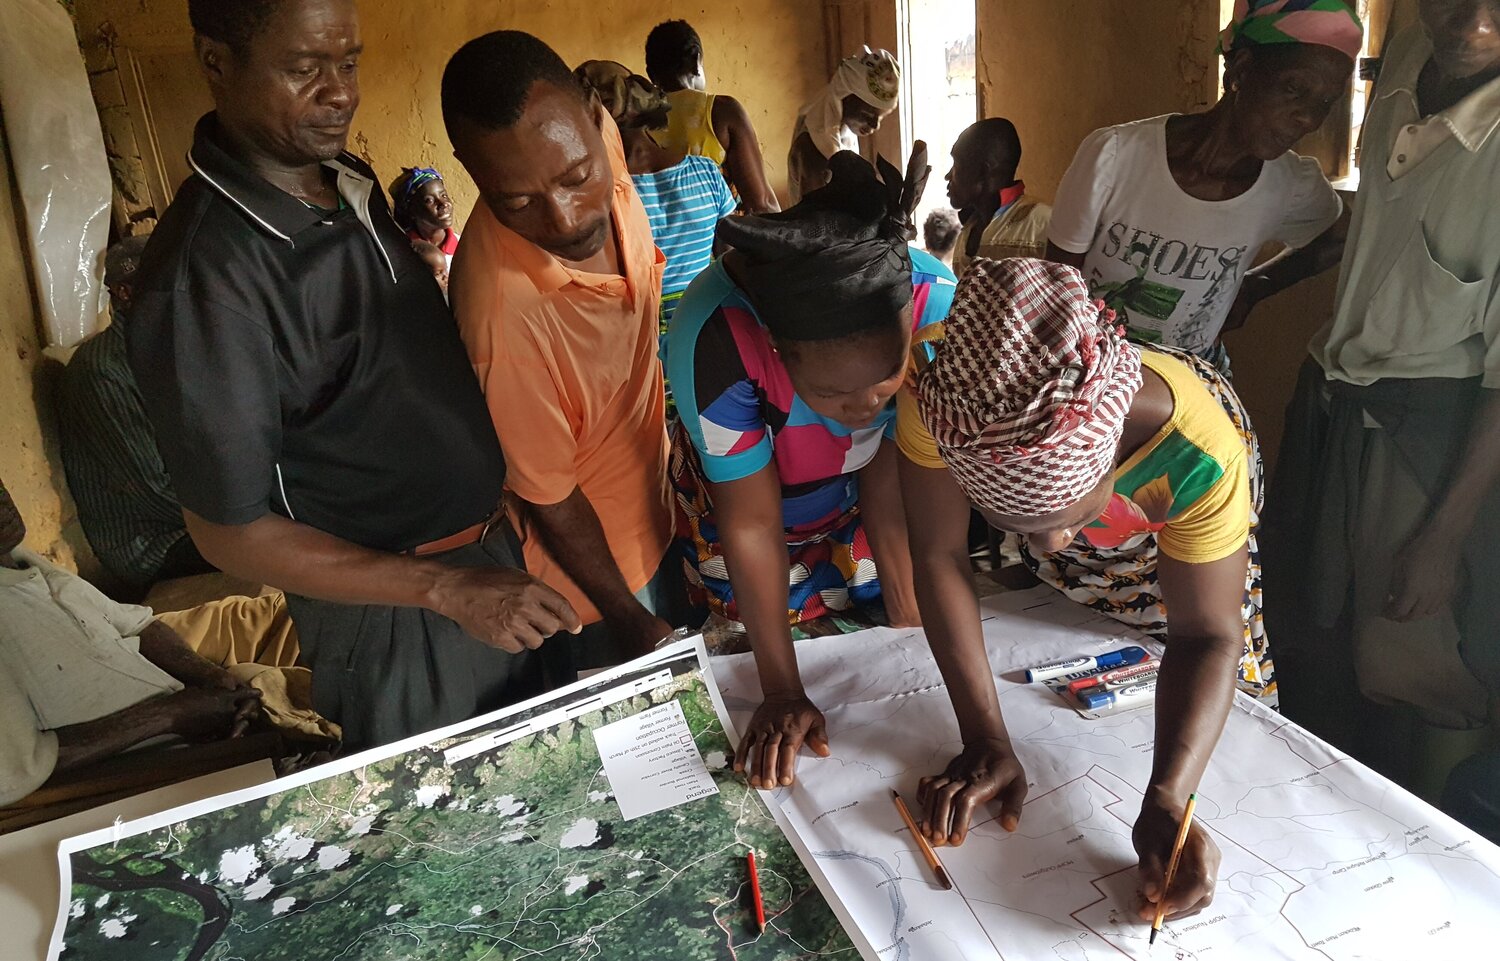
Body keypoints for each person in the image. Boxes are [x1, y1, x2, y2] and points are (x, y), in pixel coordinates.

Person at [127, 0, 578, 751]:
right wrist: (445, 589)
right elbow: (228, 532)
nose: (339, 92)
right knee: (456, 809)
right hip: (403, 615)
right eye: (305, 69)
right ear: (216, 62)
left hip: (488, 563)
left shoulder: (347, 179)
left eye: (348, 62)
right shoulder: (207, 277)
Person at [897, 257, 1266, 925]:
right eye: (1017, 527)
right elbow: (939, 553)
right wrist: (986, 735)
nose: (1051, 547)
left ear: (1113, 457)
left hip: (1172, 562)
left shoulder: (1200, 453)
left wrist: (1169, 795)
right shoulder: (946, 395)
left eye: (1073, 517)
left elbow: (1206, 632)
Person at [1263, 0, 1500, 785]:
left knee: (1411, 657)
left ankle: (1419, 831)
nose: (1470, 25)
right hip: (1334, 395)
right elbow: (1374, 219)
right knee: (1307, 623)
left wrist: (1443, 537)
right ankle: (1303, 802)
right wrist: (1259, 286)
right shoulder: (1406, 59)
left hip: (1427, 433)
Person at [666, 147, 946, 789]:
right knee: (753, 642)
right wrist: (783, 691)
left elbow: (896, 462)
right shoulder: (717, 339)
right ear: (777, 348)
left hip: (861, 501)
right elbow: (751, 524)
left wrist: (908, 616)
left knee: (892, 626)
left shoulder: (935, 308)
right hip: (747, 513)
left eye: (886, 381)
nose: (864, 408)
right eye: (833, 395)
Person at [443, 33, 678, 671]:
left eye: (578, 178)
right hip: (599, 592)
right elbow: (550, 498)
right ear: (471, 169)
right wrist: (630, 620)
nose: (567, 219)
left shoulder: (600, 136)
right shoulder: (502, 317)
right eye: (518, 203)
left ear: (594, 117)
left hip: (664, 515)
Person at [1047, 0, 1361, 371]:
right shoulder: (1116, 156)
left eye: (1325, 102)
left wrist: (1256, 287)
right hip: (1092, 367)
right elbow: (1057, 286)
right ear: (1241, 69)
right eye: (1293, 88)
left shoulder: (1290, 183)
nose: (1309, 119)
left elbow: (1341, 235)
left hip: (1193, 372)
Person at [0, 474, 296, 807]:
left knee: (292, 613)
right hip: (154, 754)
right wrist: (169, 715)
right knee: (282, 685)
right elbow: (18, 771)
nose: (3, 505)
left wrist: (210, 676)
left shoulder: (17, 556)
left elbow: (139, 624)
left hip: (166, 681)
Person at [58, 235, 215, 591]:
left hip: (196, 516)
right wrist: (245, 515)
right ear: (125, 294)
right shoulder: (102, 371)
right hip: (154, 541)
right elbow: (153, 491)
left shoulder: (165, 352)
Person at [575, 61, 737, 347]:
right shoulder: (705, 172)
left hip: (636, 340)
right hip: (705, 331)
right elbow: (729, 256)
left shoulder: (602, 192)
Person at [644, 19, 781, 215]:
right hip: (720, 233)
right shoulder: (721, 111)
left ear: (651, 74)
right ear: (696, 60)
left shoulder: (637, 121)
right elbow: (761, 203)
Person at [787, 48, 900, 203]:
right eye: (867, 115)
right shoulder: (813, 148)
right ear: (843, 99)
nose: (875, 125)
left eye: (881, 116)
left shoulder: (841, 129)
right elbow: (816, 215)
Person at [944, 118, 1051, 278]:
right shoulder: (968, 230)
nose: (948, 176)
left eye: (956, 165)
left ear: (983, 171)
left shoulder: (1043, 225)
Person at [389, 166, 459, 269]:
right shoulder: (401, 250)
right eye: (429, 200)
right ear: (412, 211)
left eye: (444, 195)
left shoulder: (464, 249)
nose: (443, 204)